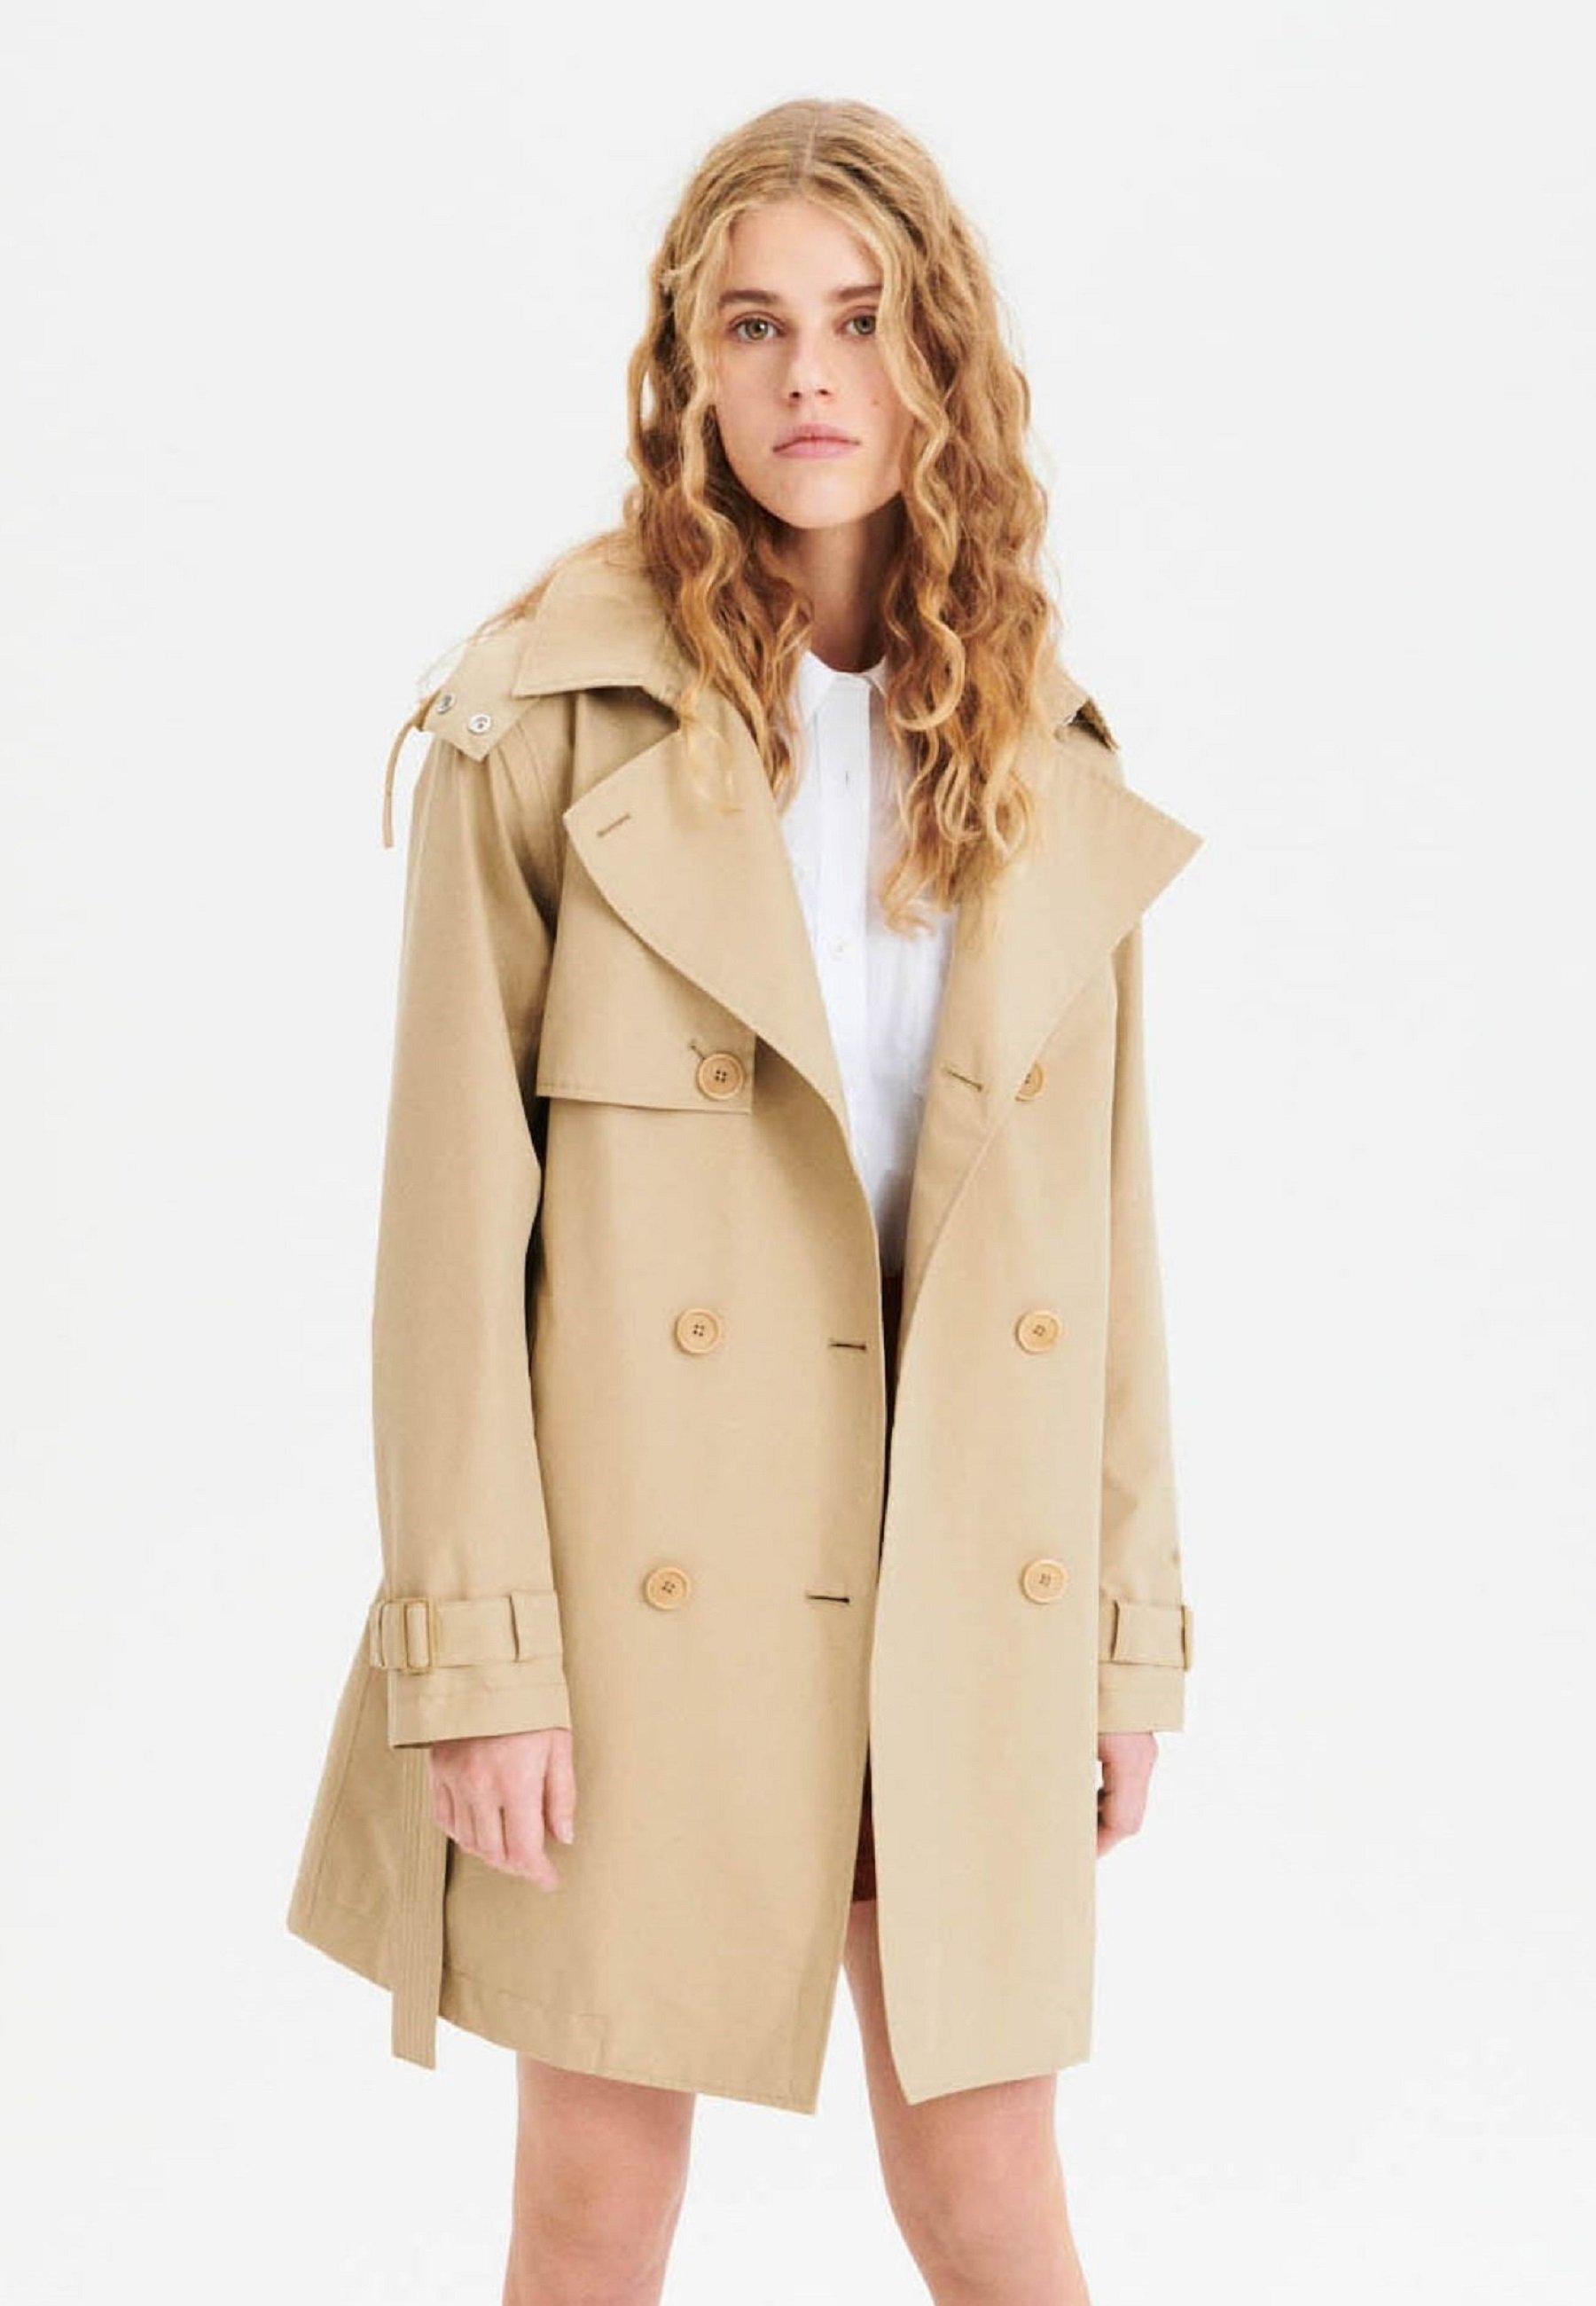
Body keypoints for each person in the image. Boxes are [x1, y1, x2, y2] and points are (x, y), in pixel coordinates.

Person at [287, 96, 1201, 2306]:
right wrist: (479, 1656)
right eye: (757, 325)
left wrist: (1123, 1627)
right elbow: (447, 1240)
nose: (812, 376)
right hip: (642, 1587)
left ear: (940, 356)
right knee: (595, 2201)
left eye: (864, 322)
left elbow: (1103, 1244)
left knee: (990, 2191)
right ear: (687, 366)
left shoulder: (1041, 754)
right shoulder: (544, 722)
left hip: (959, 1571)